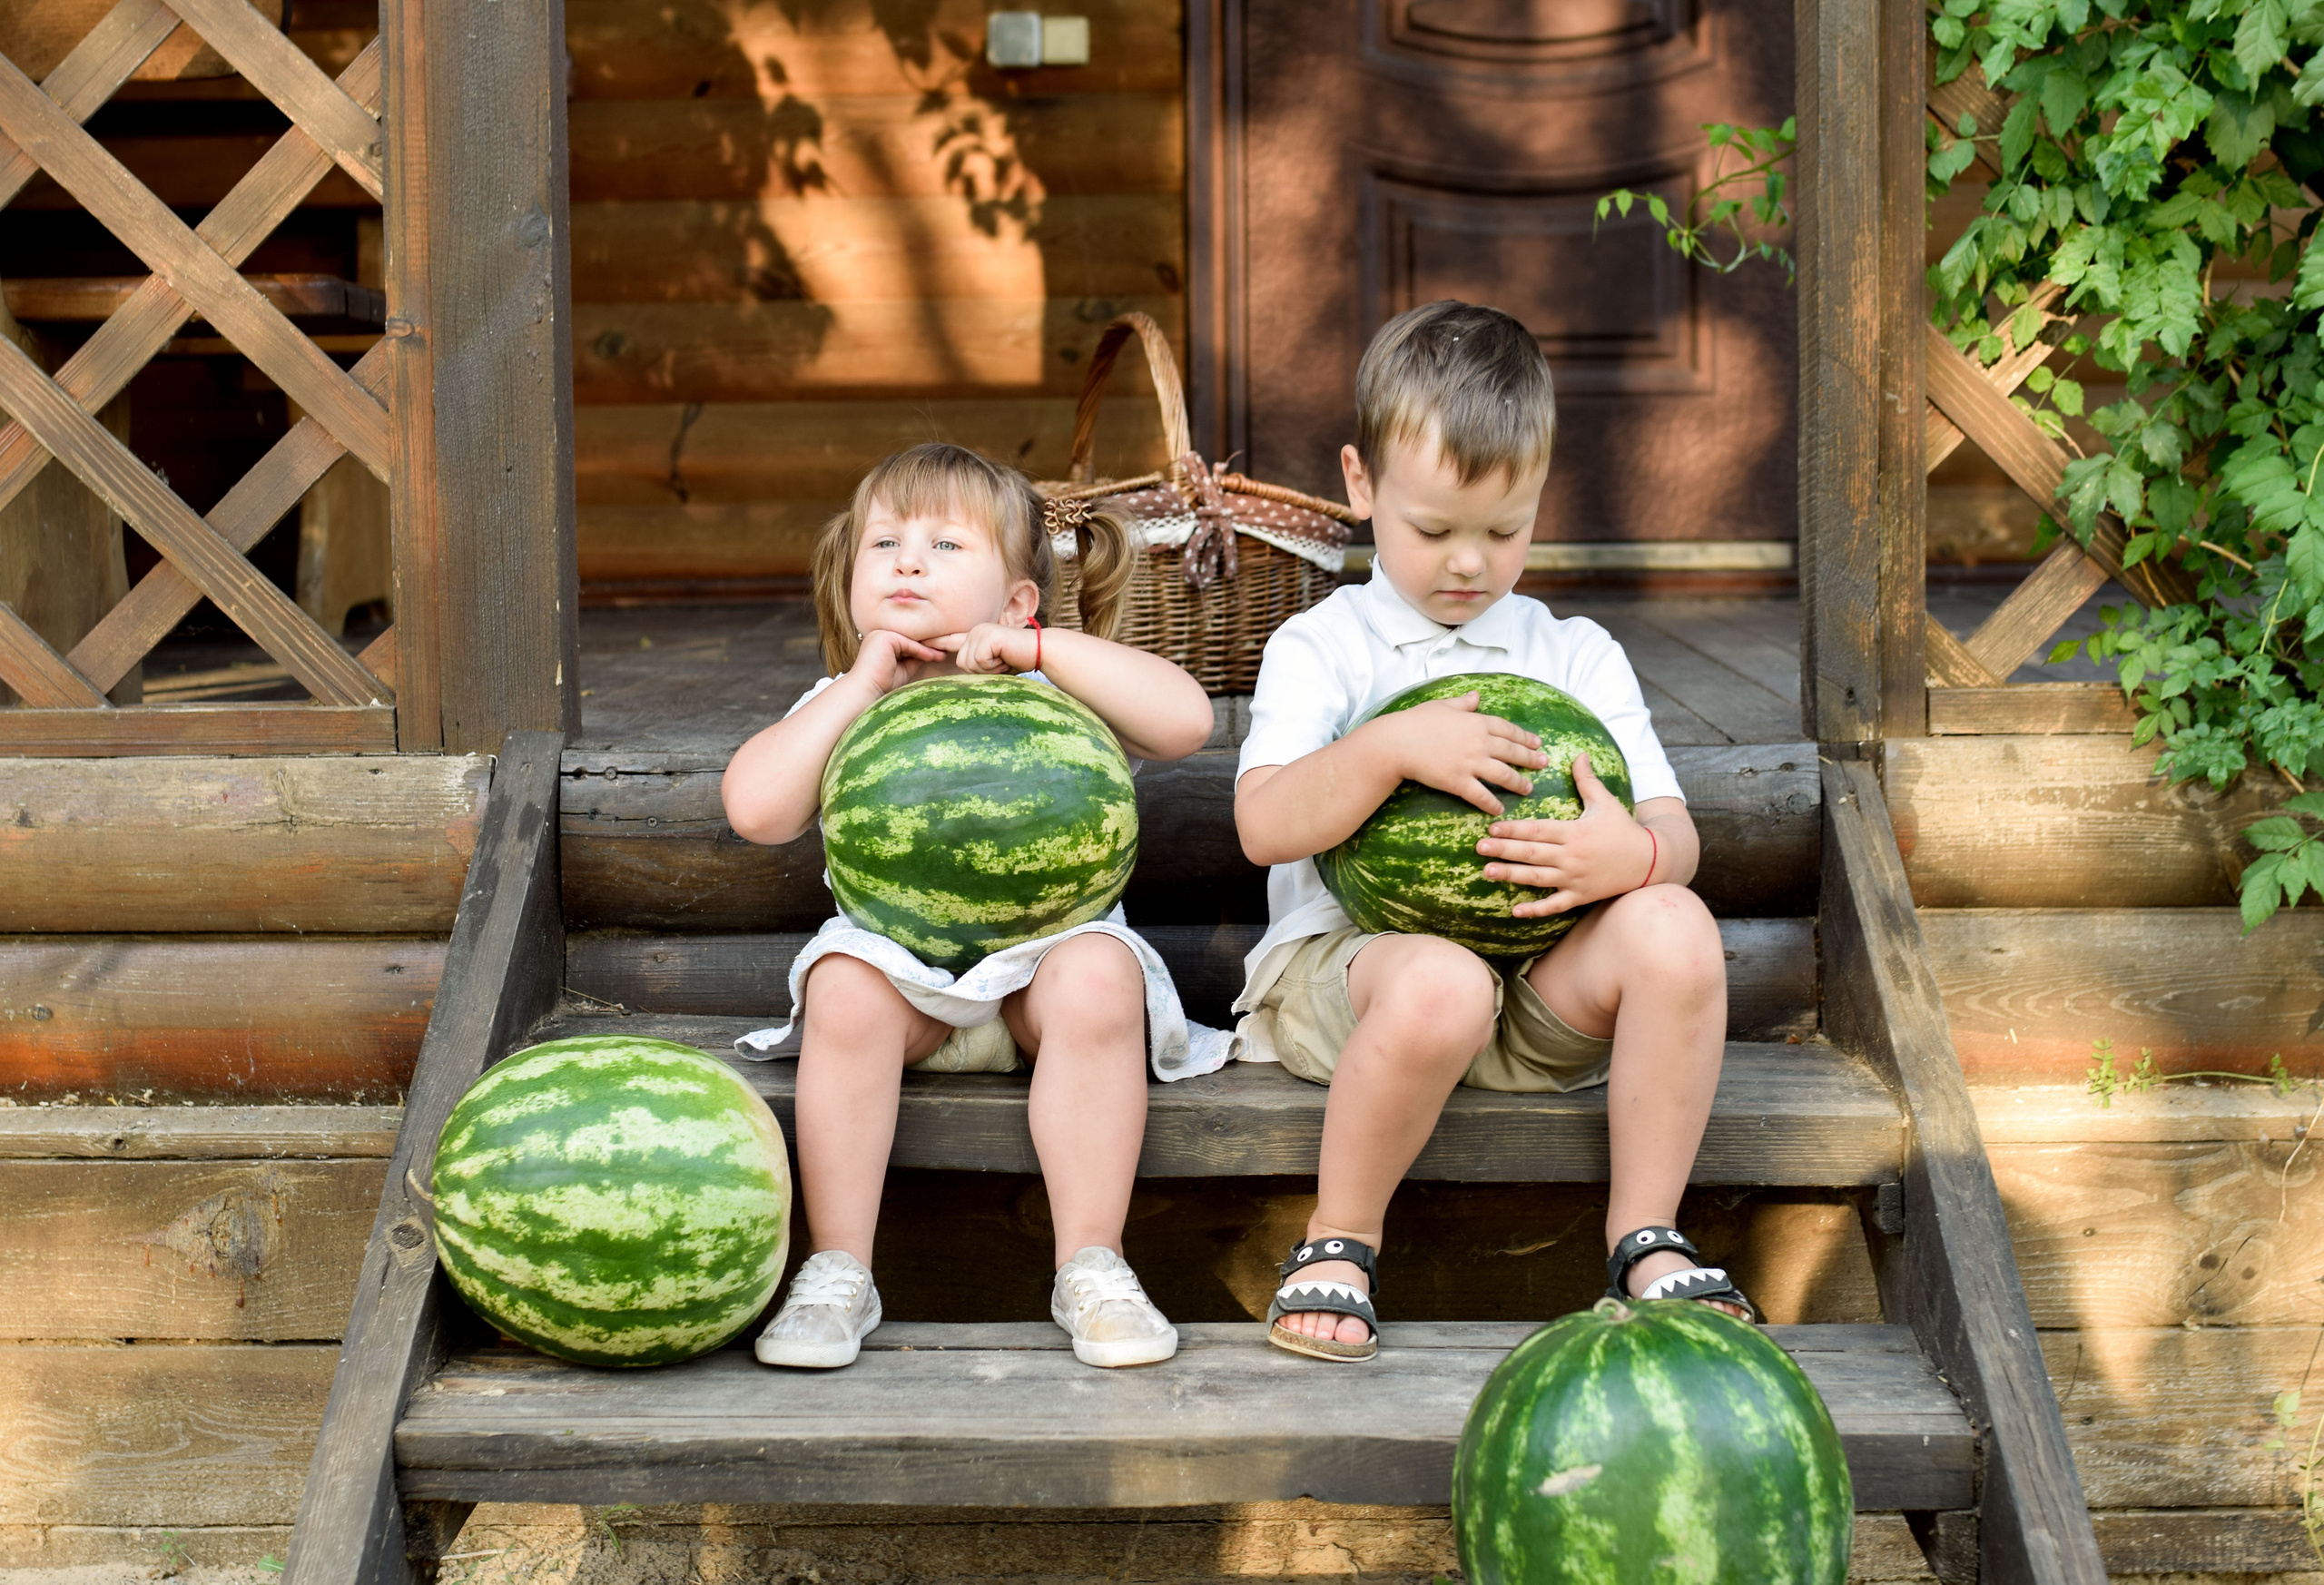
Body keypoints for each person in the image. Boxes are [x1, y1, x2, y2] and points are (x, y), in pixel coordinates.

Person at [1231, 300, 1751, 1363]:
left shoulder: (1574, 653)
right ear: (1360, 483)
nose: (1467, 562)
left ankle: (1644, 1236)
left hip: (1535, 992)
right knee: (1442, 983)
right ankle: (1340, 1236)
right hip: (1356, 985)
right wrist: (1385, 750)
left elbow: (1672, 828)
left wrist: (1636, 856)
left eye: (1503, 531)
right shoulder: (1323, 646)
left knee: (1676, 924)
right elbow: (1262, 825)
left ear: (1537, 501)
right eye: (1432, 531)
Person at [723, 442, 1215, 1370]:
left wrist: (1041, 650)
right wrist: (859, 686)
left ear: (1019, 599)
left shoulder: (1055, 688)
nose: (907, 562)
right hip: (903, 982)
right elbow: (755, 810)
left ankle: (1092, 1264)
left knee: (1100, 974)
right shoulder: (846, 702)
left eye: (945, 545)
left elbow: (1188, 722)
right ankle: (837, 1271)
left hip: (1043, 977)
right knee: (841, 987)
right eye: (884, 544)